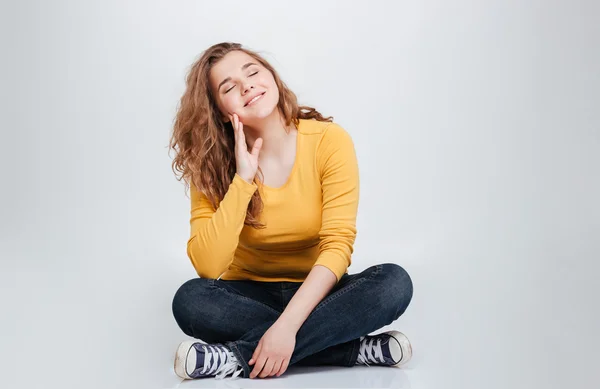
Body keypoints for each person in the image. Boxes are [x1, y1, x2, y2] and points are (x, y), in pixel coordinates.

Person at [168, 42, 414, 380]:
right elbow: (208, 266)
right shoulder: (212, 165)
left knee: (393, 284)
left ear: (272, 76)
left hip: (321, 292)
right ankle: (349, 350)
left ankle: (234, 357)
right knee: (190, 301)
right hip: (250, 293)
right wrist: (242, 180)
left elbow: (338, 245)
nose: (247, 85)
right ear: (222, 111)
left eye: (252, 72)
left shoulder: (328, 140)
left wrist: (287, 326)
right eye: (229, 87)